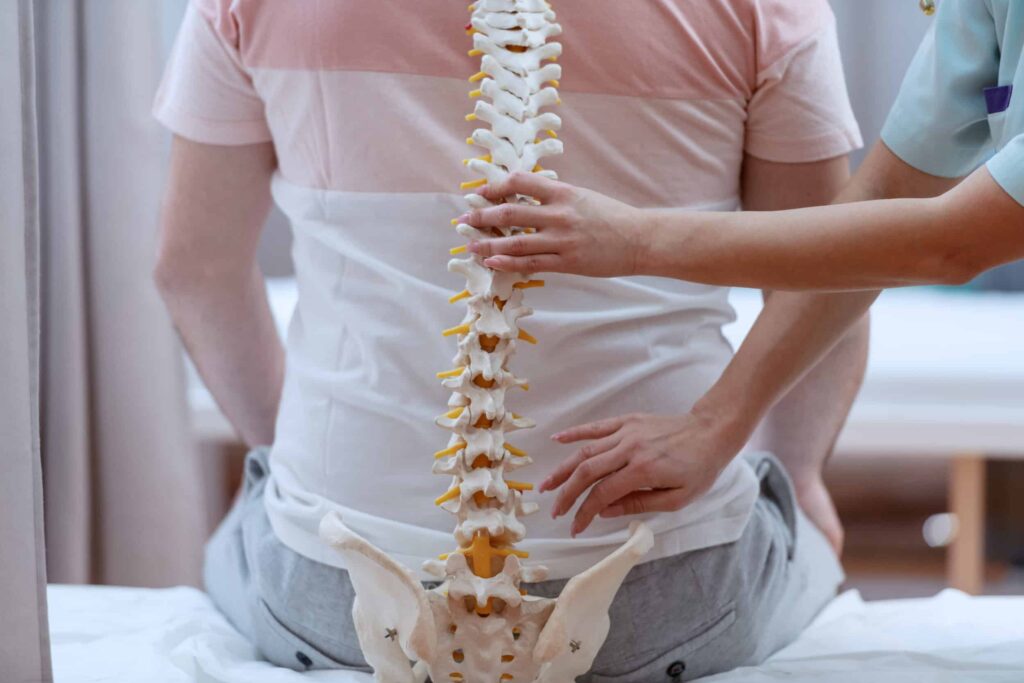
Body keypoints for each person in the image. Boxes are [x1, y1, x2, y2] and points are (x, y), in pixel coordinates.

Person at [153, 1, 865, 678]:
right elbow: (832, 274)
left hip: (334, 597)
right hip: (671, 596)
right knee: (799, 527)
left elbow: (194, 269)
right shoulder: (768, 11)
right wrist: (800, 475)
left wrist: (298, 464)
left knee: (246, 526)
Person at [462, 0, 1024, 535]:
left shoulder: (776, 18)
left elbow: (954, 241)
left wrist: (636, 239)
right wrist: (719, 425)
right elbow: (886, 197)